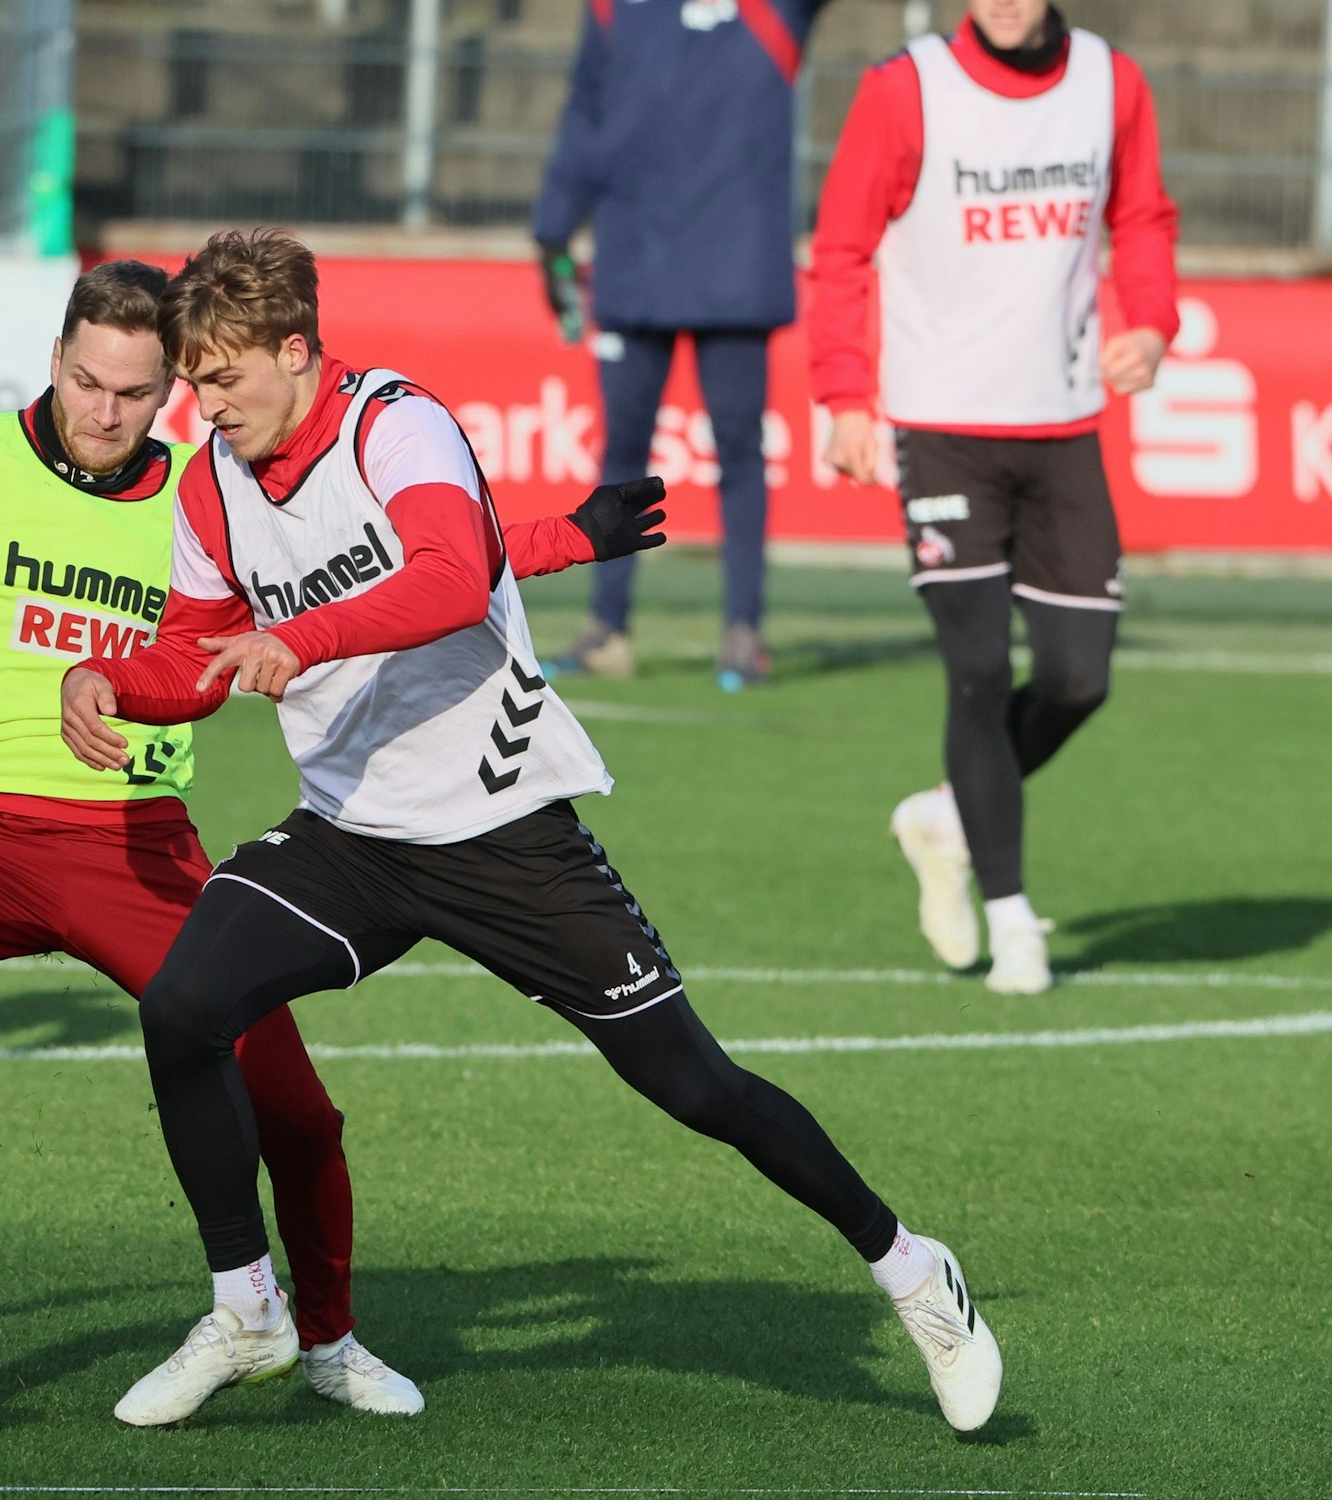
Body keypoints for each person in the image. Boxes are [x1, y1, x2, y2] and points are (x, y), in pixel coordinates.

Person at [0, 259, 661, 1416]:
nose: (104, 410)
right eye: (86, 381)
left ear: (170, 392)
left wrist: (567, 539)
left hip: (138, 845)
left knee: (296, 1109)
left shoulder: (210, 495)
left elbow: (398, 562)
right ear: (55, 360)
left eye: (134, 393)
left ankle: (326, 1340)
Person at [60, 228, 1001, 1433]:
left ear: (296, 350)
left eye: (225, 377)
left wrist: (301, 638)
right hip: (350, 836)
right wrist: (110, 679)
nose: (203, 405)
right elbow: (195, 649)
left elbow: (453, 574)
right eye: (190, 382)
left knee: (696, 1086)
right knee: (183, 1005)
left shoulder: (395, 422)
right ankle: (247, 1308)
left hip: (505, 832)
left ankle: (911, 1272)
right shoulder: (210, 483)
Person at [808, 0, 1179, 995]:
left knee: (1074, 681)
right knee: (974, 673)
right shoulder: (902, 89)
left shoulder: (1111, 81)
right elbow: (839, 249)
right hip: (941, 431)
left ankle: (941, 816)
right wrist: (845, 395)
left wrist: (1149, 324)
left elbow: (1139, 216)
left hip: (1063, 432)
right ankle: (1012, 918)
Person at [533, 0, 838, 688]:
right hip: (634, 254)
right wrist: (552, 227)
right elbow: (586, 108)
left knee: (739, 452)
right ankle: (607, 630)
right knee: (622, 456)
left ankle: (743, 633)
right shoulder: (614, 8)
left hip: (736, 263)